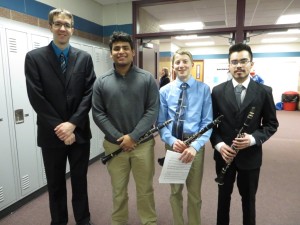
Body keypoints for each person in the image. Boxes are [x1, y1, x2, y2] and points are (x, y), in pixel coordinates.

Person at [24, 8, 96, 225]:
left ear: (72, 29)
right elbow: (37, 97)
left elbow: (89, 93)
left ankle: (83, 220)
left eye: (66, 25)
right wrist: (61, 127)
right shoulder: (34, 58)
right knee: (55, 184)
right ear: (51, 27)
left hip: (79, 133)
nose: (62, 28)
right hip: (51, 134)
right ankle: (59, 222)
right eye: (58, 24)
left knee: (80, 182)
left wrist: (72, 124)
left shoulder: (84, 58)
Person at [92, 31, 159, 225]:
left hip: (143, 145)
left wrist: (134, 136)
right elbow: (98, 113)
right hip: (114, 146)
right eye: (116, 48)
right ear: (110, 53)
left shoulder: (147, 79)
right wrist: (120, 138)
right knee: (118, 190)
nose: (121, 51)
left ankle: (149, 222)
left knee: (145, 189)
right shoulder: (101, 82)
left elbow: (152, 110)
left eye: (125, 48)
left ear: (132, 52)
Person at [210, 43, 279, 225]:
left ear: (251, 64)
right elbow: (211, 125)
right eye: (234, 62)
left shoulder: (264, 92)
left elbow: (271, 124)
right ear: (229, 65)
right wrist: (219, 145)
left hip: (250, 156)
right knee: (222, 200)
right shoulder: (217, 91)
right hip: (224, 155)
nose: (239, 65)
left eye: (243, 61)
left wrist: (253, 139)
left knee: (248, 200)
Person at [157, 49, 213, 225]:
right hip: (173, 145)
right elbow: (161, 123)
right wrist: (172, 141)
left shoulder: (203, 89)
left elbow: (207, 122)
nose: (181, 65)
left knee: (194, 194)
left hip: (194, 147)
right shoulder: (164, 91)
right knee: (175, 192)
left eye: (185, 61)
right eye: (178, 62)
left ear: (192, 64)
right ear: (173, 66)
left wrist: (195, 146)